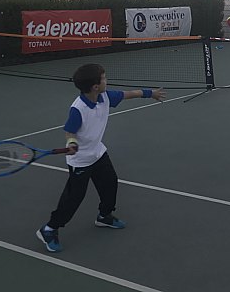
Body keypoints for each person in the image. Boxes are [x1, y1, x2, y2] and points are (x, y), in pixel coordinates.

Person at [36, 63, 165, 253]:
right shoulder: (78, 109)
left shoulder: (105, 97)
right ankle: (49, 229)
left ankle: (104, 216)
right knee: (74, 198)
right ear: (95, 86)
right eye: (104, 78)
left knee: (110, 183)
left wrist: (150, 92)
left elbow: (128, 94)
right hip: (80, 160)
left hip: (98, 153)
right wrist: (71, 143)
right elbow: (69, 131)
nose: (106, 80)